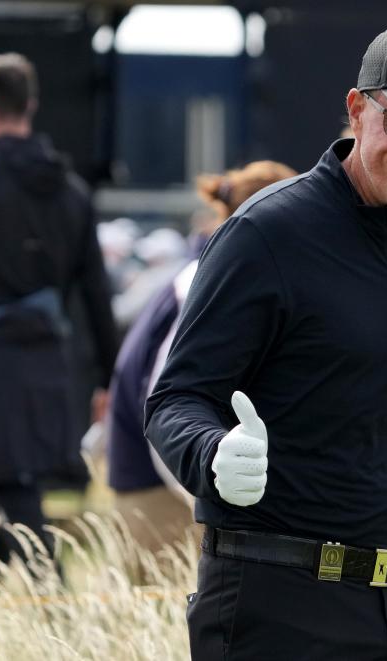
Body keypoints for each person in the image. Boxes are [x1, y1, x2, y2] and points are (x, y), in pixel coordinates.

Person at [145, 19, 387, 660]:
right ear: (357, 110)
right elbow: (174, 402)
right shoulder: (266, 233)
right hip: (279, 608)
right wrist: (211, 454)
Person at [0, 53, 117, 570]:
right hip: (47, 361)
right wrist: (108, 379)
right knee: (9, 478)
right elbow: (96, 294)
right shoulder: (72, 192)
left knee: (12, 481)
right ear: (29, 105)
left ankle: (54, 607)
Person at [106, 160, 296, 557]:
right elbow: (165, 400)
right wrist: (204, 491)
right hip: (160, 491)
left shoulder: (214, 270)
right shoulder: (203, 281)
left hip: (168, 482)